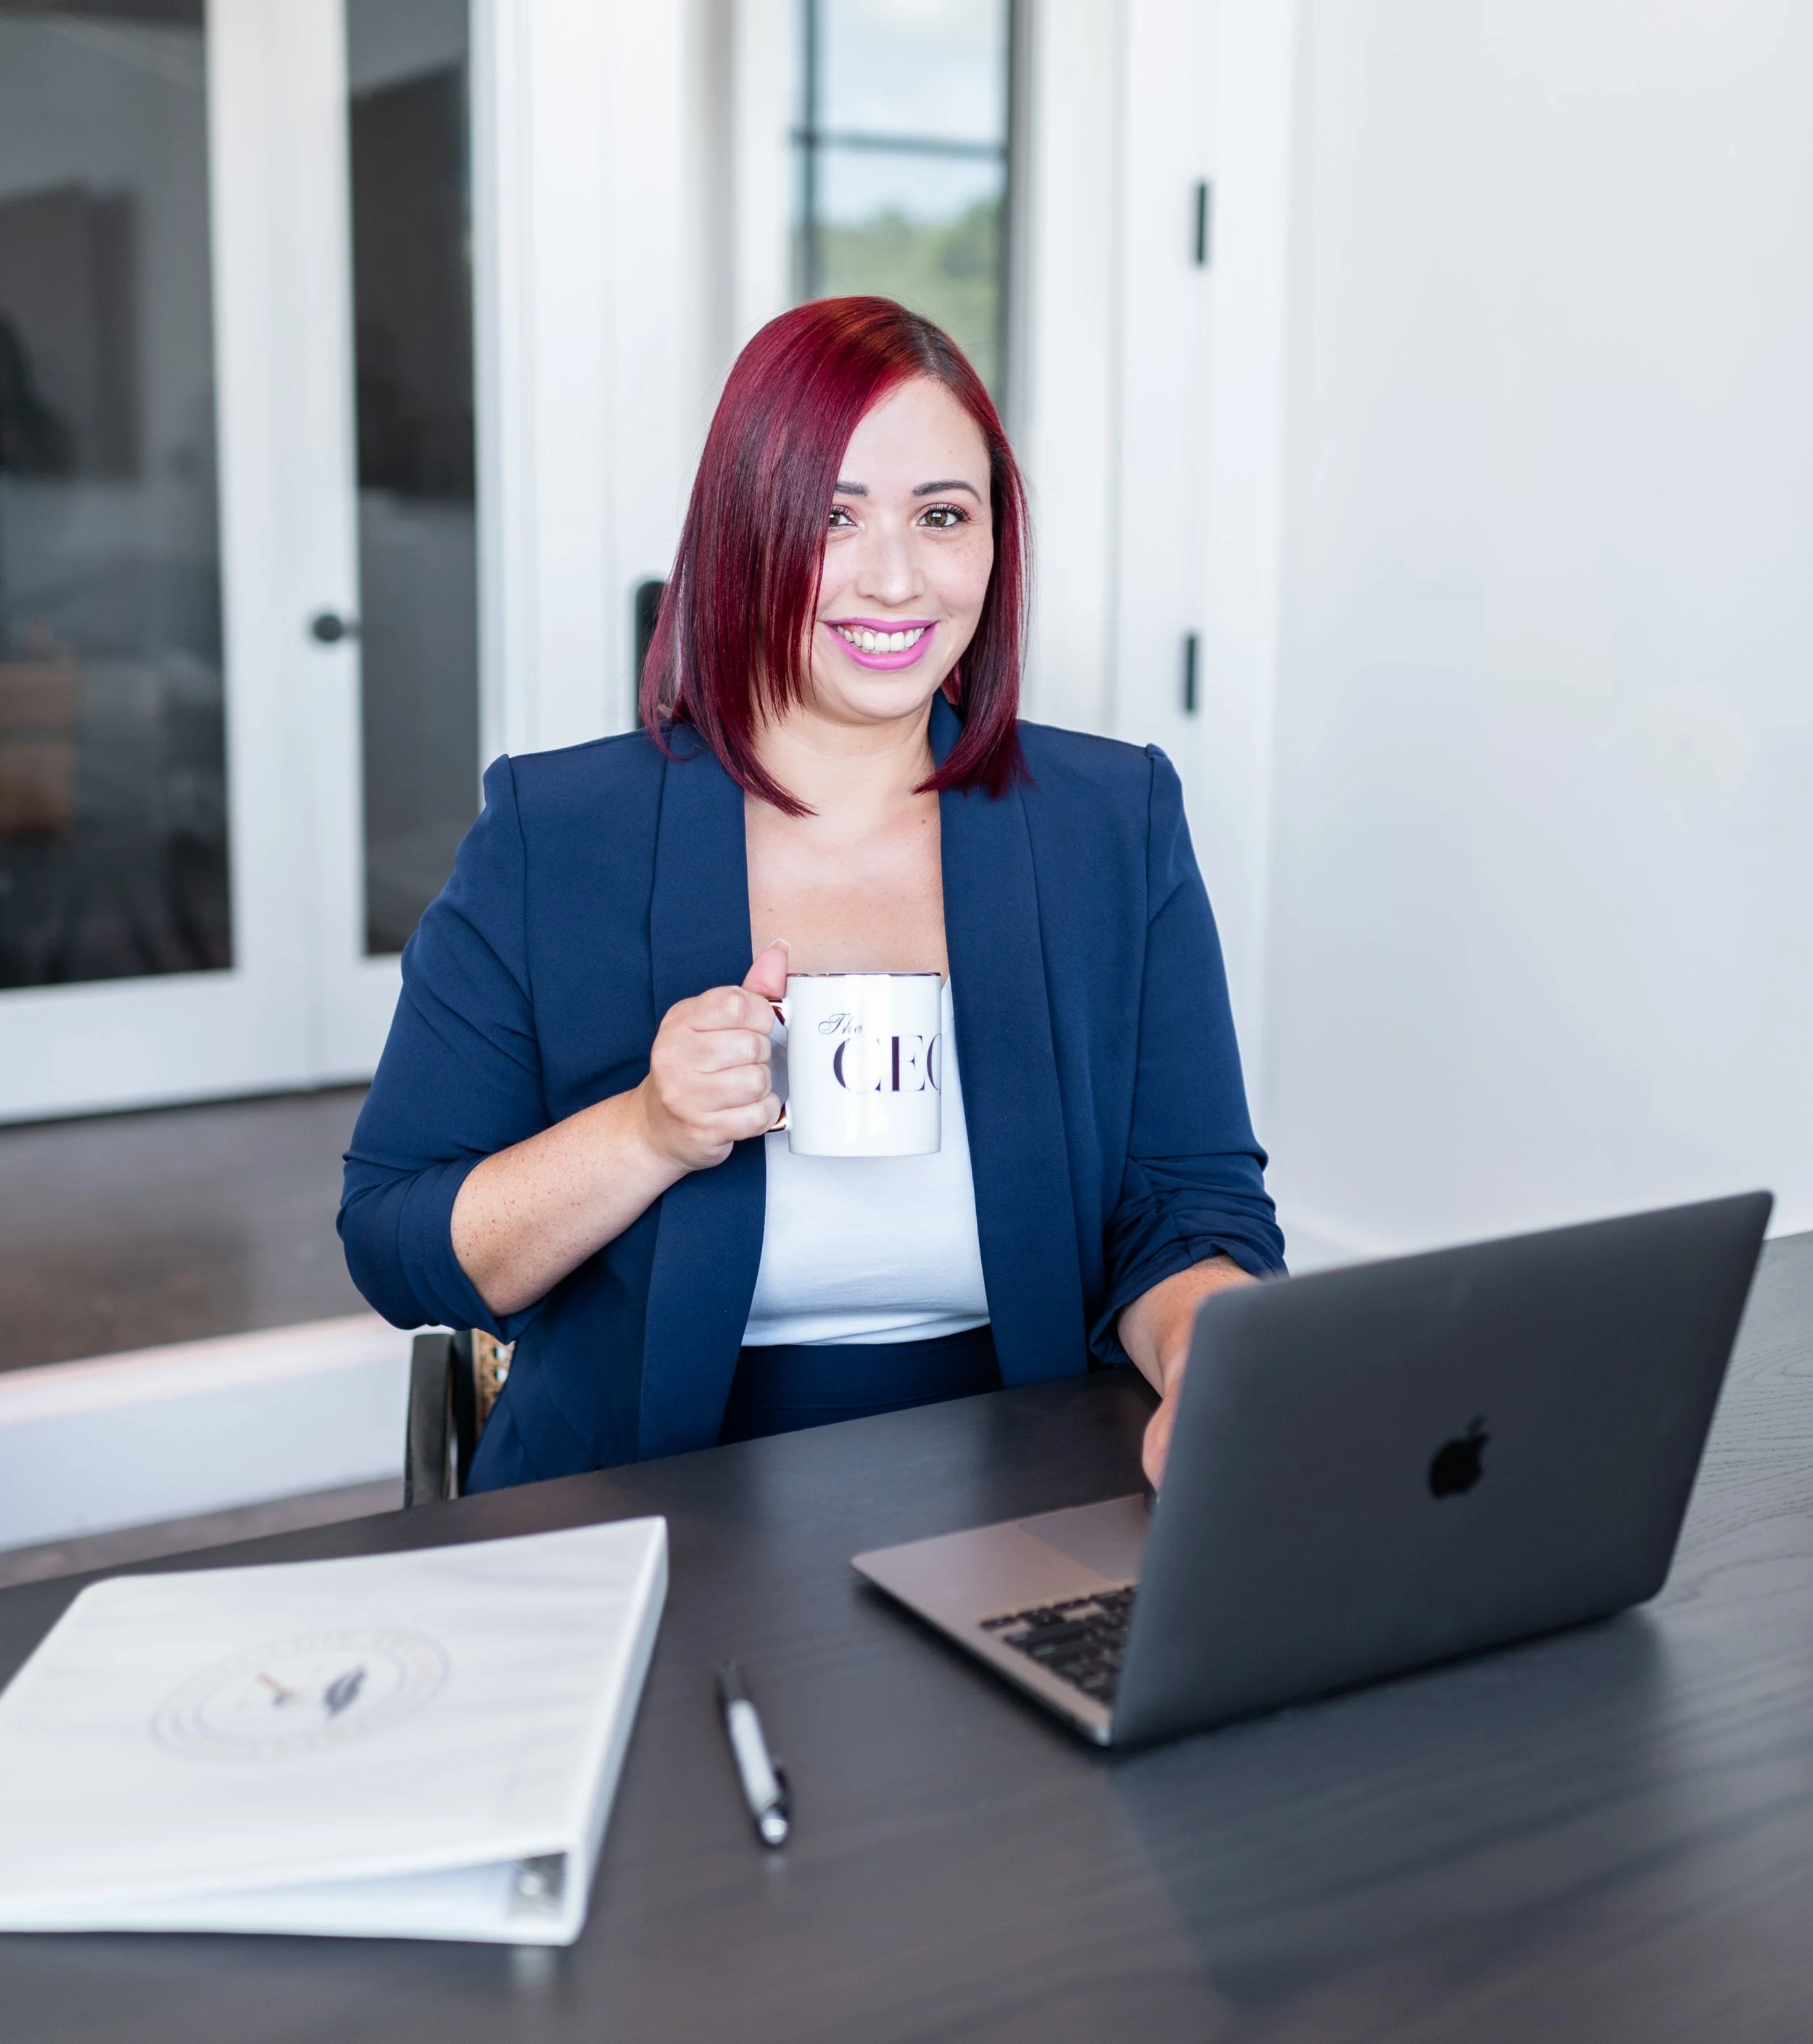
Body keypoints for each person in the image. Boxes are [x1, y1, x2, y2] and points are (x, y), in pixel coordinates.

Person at [339, 297, 1284, 1493]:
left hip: (1030, 1471)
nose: (895, 579)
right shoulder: (558, 832)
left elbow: (1190, 1208)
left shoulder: (1112, 818)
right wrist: (647, 1132)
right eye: (833, 518)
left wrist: (1210, 1357)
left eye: (943, 515)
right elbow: (395, 1243)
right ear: (742, 533)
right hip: (647, 1493)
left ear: (997, 543)